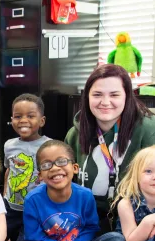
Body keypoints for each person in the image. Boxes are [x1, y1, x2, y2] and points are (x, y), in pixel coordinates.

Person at [20, 140, 126, 241]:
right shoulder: (32, 200)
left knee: (117, 240)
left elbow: (90, 228)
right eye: (46, 165)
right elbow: (35, 237)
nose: (55, 168)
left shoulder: (85, 195)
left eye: (62, 161)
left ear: (75, 168)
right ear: (40, 175)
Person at [65, 64, 155, 232]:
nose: (105, 102)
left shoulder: (148, 130)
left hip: (134, 223)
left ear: (127, 96)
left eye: (114, 95)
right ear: (87, 97)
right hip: (85, 220)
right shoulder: (74, 134)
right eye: (97, 94)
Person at [104, 146, 155, 241]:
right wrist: (148, 221)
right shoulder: (126, 204)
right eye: (148, 171)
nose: (154, 176)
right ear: (136, 175)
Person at [3, 94, 51, 241]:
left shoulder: (50, 146)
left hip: (36, 211)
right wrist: (4, 196)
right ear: (12, 120)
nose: (23, 120)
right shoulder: (9, 145)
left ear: (41, 120)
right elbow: (9, 170)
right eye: (18, 116)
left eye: (30, 116)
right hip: (10, 208)